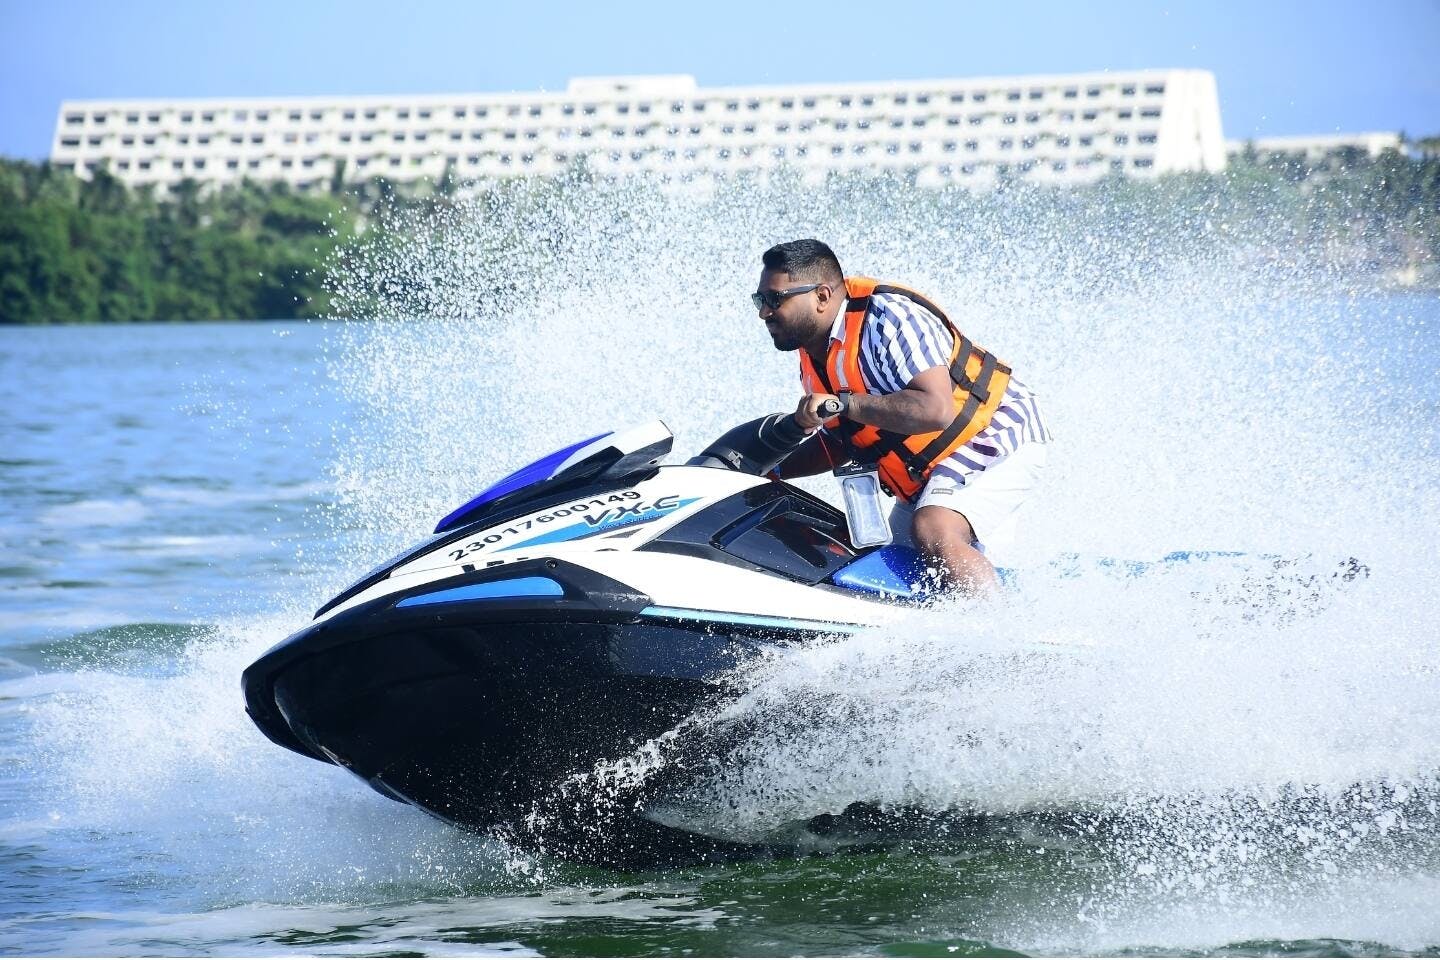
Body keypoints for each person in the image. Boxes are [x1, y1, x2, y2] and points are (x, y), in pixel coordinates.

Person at [754, 239, 1050, 596]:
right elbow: (842, 442)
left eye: (775, 299)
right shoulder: (817, 354)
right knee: (891, 574)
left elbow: (935, 409)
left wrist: (842, 404)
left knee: (934, 528)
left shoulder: (889, 318)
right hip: (930, 469)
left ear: (821, 296)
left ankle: (997, 626)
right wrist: (767, 471)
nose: (764, 313)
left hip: (997, 431)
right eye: (759, 300)